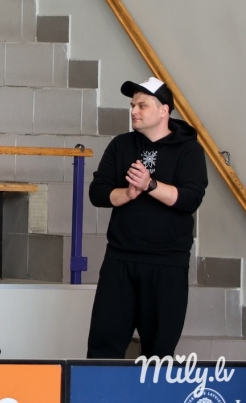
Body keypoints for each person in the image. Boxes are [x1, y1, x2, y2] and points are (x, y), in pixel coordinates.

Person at [86, 77, 208, 358]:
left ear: (164, 110)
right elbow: (97, 192)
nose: (134, 111)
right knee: (102, 350)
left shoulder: (189, 150)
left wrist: (150, 185)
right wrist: (127, 193)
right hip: (120, 260)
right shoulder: (121, 145)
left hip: (167, 264)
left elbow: (190, 199)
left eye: (142, 105)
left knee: (160, 353)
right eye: (132, 105)